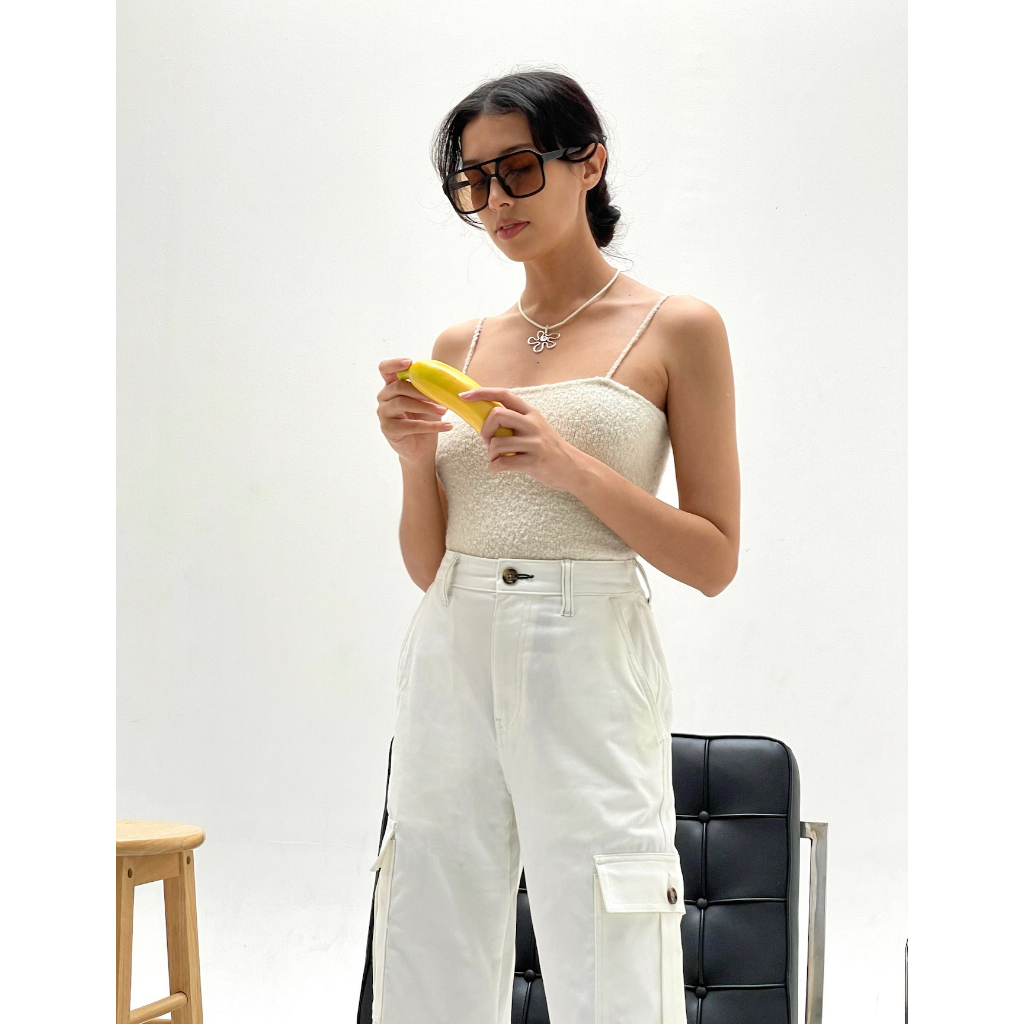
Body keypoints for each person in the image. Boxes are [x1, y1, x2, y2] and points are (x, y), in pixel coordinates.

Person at [371, 69, 739, 1024]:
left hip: (585, 640)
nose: (496, 199)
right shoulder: (460, 343)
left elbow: (713, 560)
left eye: (519, 168)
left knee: (609, 910)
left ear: (590, 164)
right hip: (453, 636)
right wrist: (414, 460)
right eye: (474, 180)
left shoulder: (676, 328)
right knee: (431, 905)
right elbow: (429, 566)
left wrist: (573, 468)